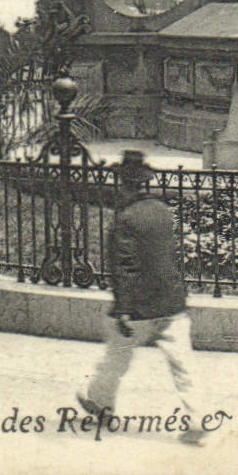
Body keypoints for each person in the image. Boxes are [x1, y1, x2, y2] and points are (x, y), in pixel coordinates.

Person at [79, 150, 202, 446]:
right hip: (171, 302)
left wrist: (123, 309)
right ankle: (198, 417)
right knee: (183, 365)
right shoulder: (163, 211)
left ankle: (100, 402)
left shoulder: (125, 218)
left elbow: (125, 267)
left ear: (123, 185)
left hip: (139, 308)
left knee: (116, 358)